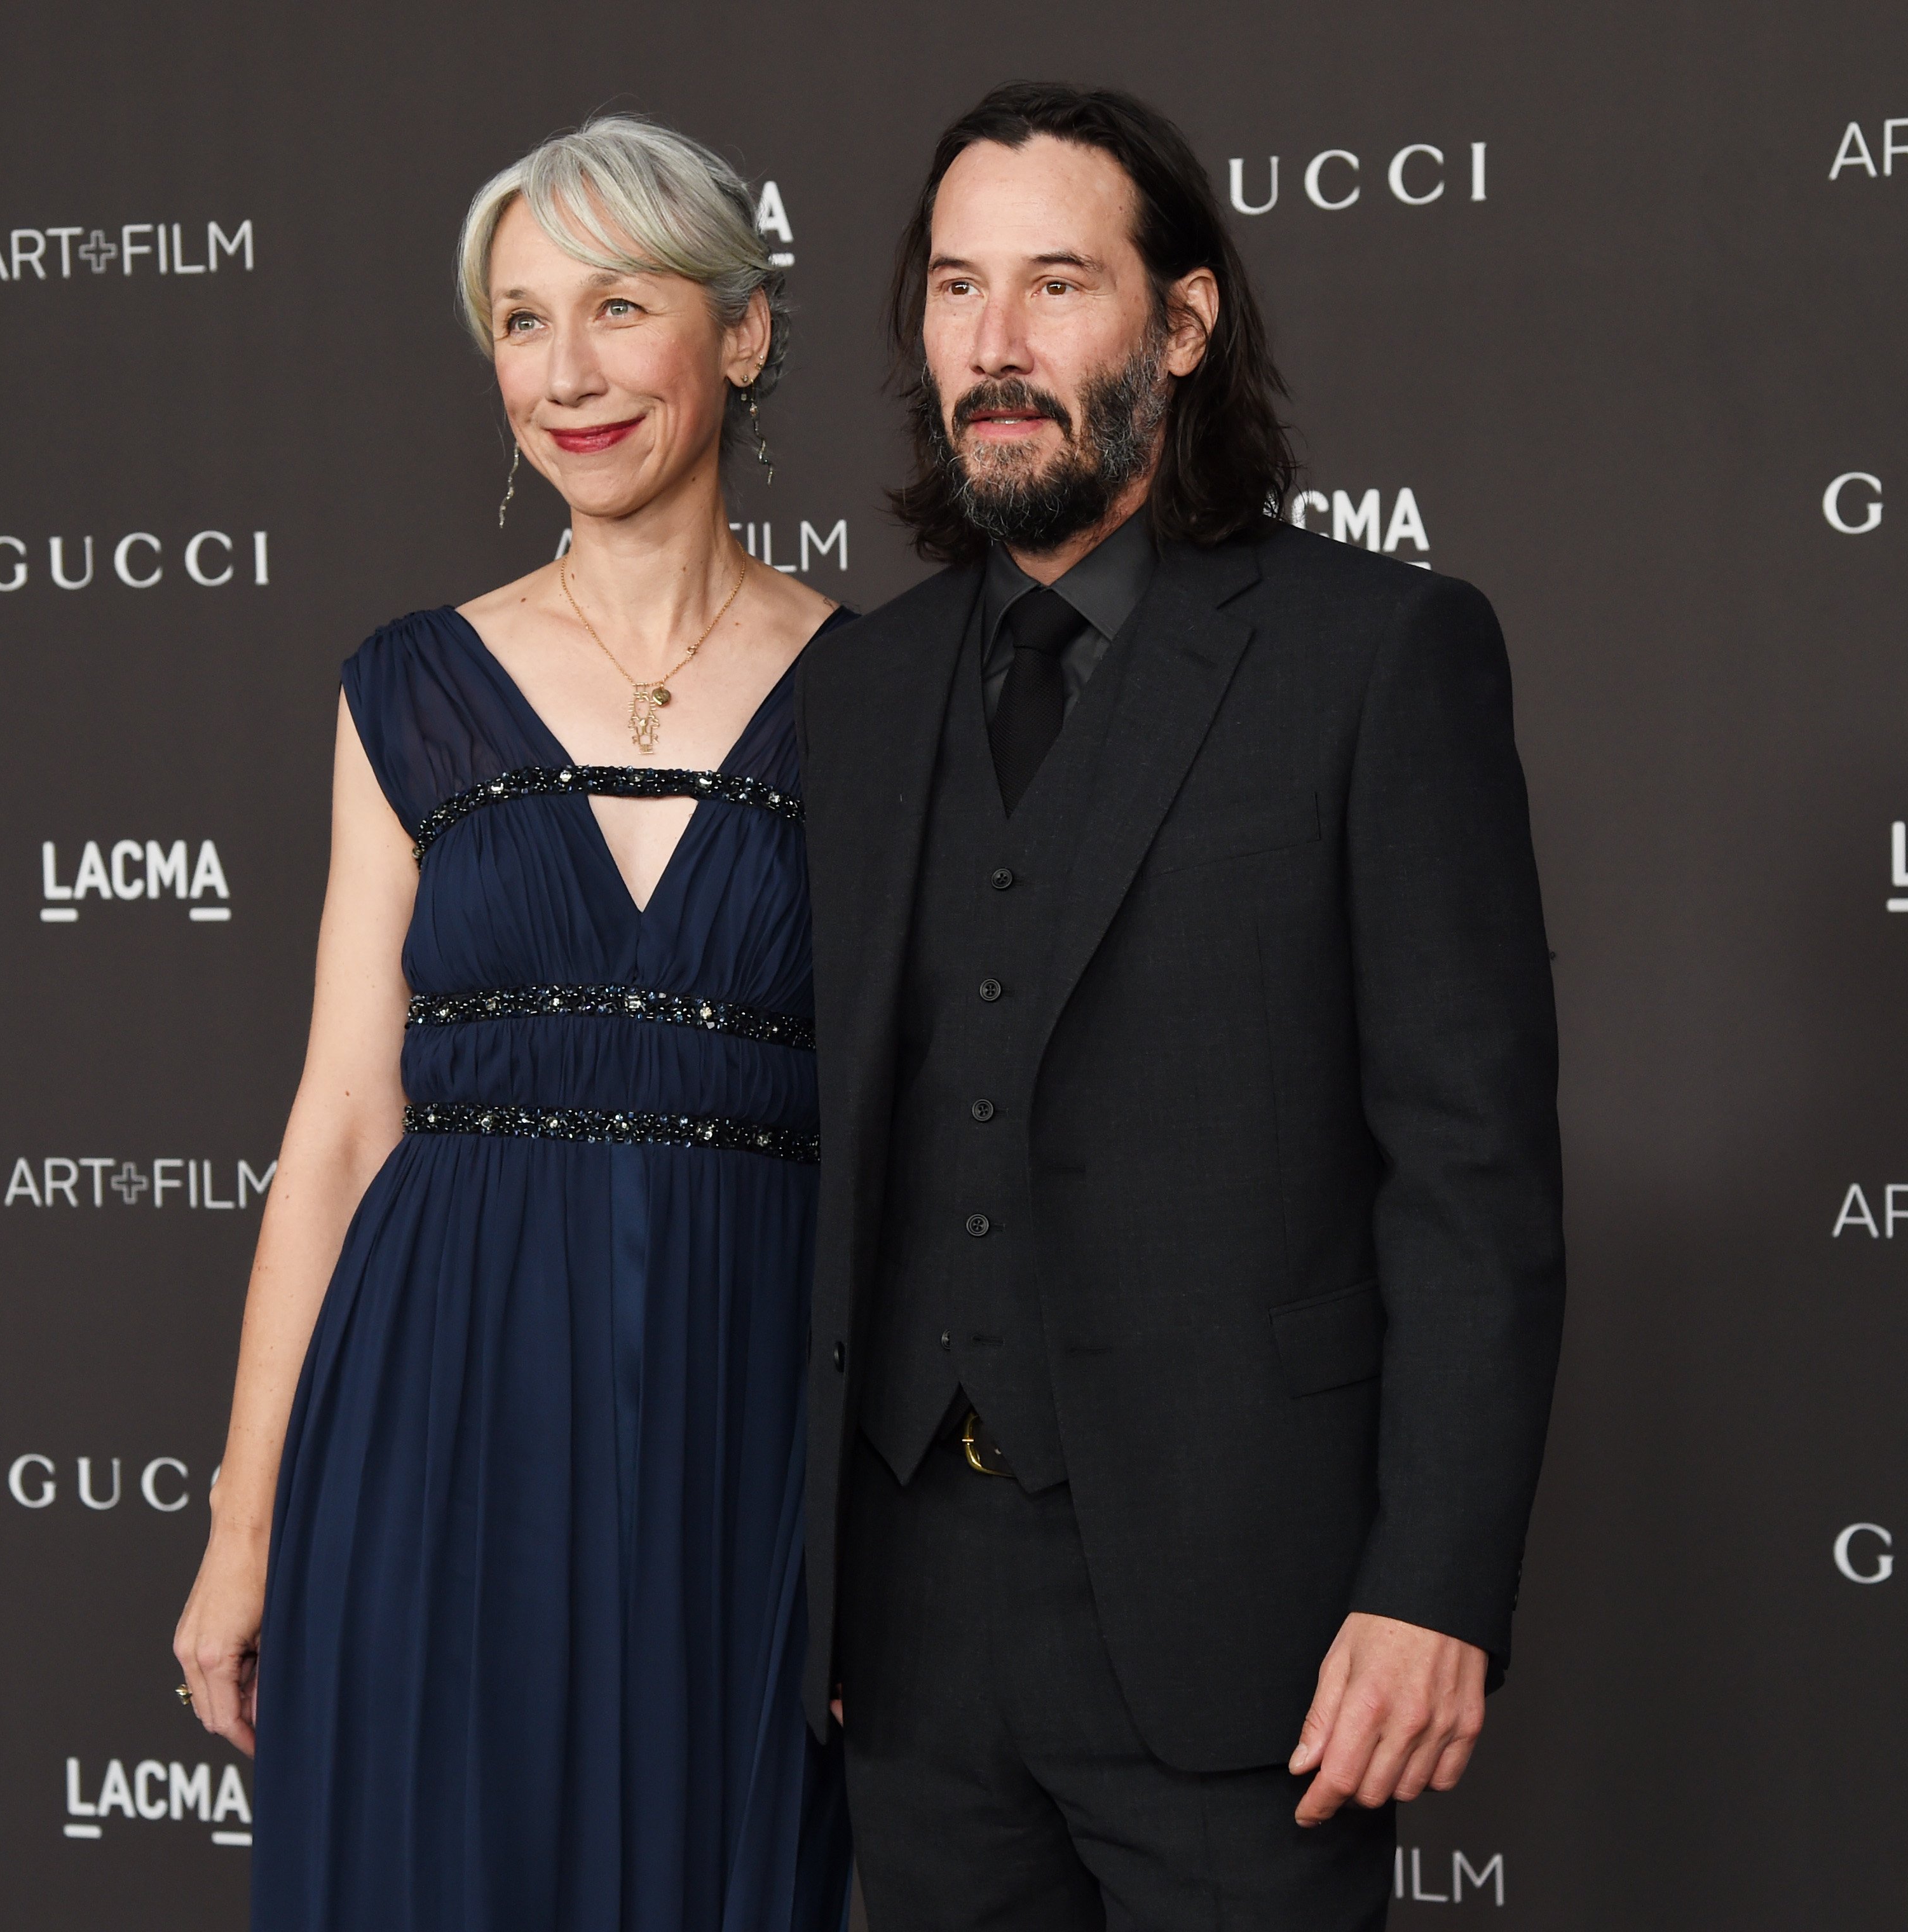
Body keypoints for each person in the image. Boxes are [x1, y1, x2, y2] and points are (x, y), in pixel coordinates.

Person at [796, 83, 1565, 1930]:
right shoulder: (861, 688)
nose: (996, 346)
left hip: (1255, 1626)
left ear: (1184, 322)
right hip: (906, 1639)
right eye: (957, 289)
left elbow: (1469, 1172)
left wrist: (1436, 1585)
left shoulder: (1378, 655)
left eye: (1057, 285)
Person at [173, 114, 851, 1932]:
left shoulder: (889, 692)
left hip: (751, 1413)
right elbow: (334, 1126)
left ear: (744, 331)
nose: (566, 375)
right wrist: (244, 1530)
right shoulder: (408, 688)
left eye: (618, 308)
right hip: (441, 1394)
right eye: (522, 322)